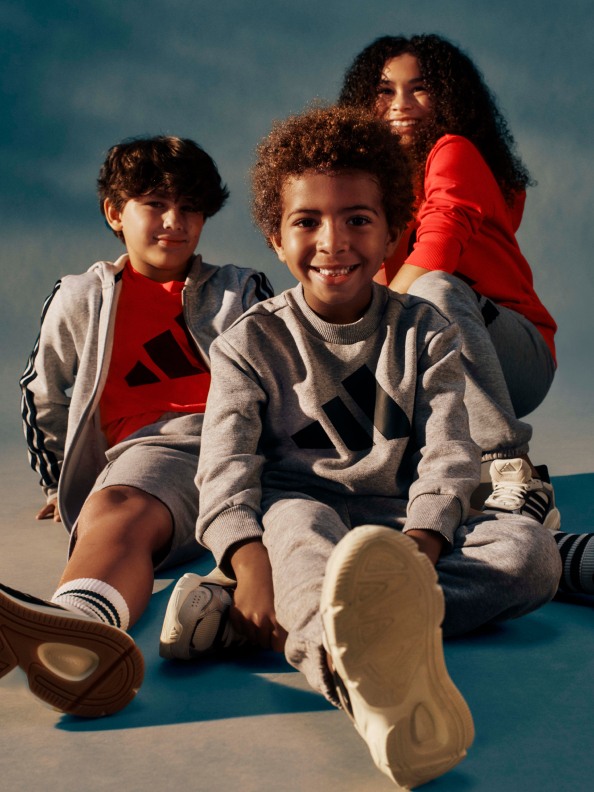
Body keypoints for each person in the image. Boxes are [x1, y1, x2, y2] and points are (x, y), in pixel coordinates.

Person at [158, 106, 561, 789]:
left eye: (357, 219)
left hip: (400, 529)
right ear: (274, 236)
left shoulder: (425, 331)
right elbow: (226, 473)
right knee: (299, 537)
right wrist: (247, 559)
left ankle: (272, 620)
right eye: (307, 221)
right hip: (302, 516)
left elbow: (448, 456)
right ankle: (367, 694)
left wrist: (421, 547)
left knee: (532, 558)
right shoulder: (249, 344)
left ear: (392, 228)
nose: (332, 241)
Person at [0, 135, 273, 717]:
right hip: (151, 453)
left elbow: (286, 379)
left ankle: (81, 626)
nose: (175, 222)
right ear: (115, 213)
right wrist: (58, 482)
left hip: (234, 444)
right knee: (122, 503)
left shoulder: (240, 289)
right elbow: (41, 391)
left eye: (191, 208)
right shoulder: (81, 297)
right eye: (155, 204)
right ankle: (81, 629)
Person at [338, 33, 594, 599]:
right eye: (384, 91)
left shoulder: (453, 150)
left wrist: (349, 345)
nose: (400, 104)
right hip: (431, 362)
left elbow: (437, 251)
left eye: (419, 89)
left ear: (449, 99)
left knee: (431, 288)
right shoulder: (373, 188)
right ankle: (541, 554)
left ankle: (511, 470)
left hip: (512, 355)